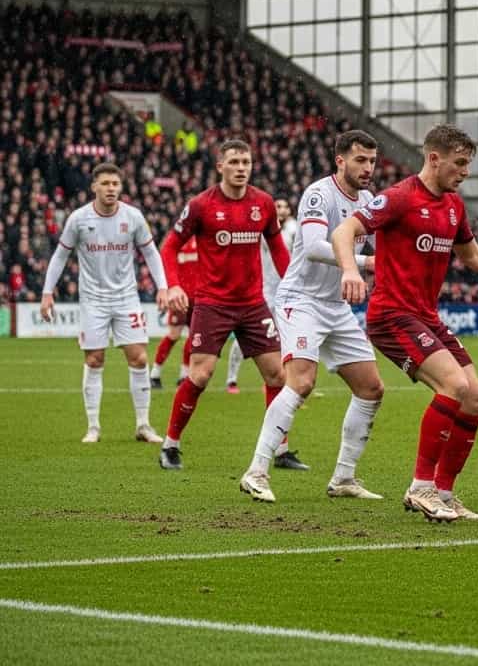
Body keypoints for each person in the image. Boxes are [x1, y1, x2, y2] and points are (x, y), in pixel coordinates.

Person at [331, 124, 478, 522]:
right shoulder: (400, 198)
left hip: (426, 317)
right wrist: (350, 271)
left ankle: (444, 492)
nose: (465, 172)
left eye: (468, 164)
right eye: (459, 163)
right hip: (392, 316)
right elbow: (345, 230)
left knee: (476, 398)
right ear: (434, 158)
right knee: (454, 386)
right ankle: (420, 486)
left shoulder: (454, 205)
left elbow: (473, 256)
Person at [238, 131, 386, 504]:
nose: (368, 168)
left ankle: (344, 478)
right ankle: (256, 471)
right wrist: (366, 263)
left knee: (371, 388)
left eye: (372, 161)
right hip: (300, 300)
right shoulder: (319, 193)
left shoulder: (367, 200)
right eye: (360, 160)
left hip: (336, 305)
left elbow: (380, 244)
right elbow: (317, 249)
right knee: (301, 382)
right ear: (340, 160)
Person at [157, 139, 290, 470]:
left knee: (277, 375)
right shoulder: (201, 205)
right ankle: (170, 445)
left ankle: (281, 450)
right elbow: (169, 246)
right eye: (234, 162)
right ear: (220, 167)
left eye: (246, 162)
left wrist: (291, 286)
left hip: (253, 304)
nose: (241, 168)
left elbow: (277, 248)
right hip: (212, 304)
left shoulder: (264, 203)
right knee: (201, 375)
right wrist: (173, 284)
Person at [40, 162, 169, 443]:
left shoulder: (133, 217)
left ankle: (143, 425)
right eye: (106, 184)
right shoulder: (78, 219)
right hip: (93, 301)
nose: (111, 189)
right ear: (94, 187)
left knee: (139, 358)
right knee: (94, 359)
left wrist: (163, 287)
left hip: (126, 298)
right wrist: (47, 292)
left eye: (115, 184)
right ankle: (94, 427)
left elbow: (151, 253)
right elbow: (61, 255)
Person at [226, 196, 297, 395]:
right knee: (243, 341)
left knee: (286, 340)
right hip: (263, 292)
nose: (282, 209)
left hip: (284, 293)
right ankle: (231, 379)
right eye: (278, 206)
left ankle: (287, 381)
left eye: (285, 206)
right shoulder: (264, 230)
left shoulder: (294, 230)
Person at [149, 237, 197, 390]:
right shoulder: (175, 240)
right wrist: (168, 289)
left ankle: (184, 375)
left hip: (199, 297)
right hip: (179, 296)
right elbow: (164, 263)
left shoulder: (202, 237)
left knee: (193, 336)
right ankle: (155, 373)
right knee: (174, 335)